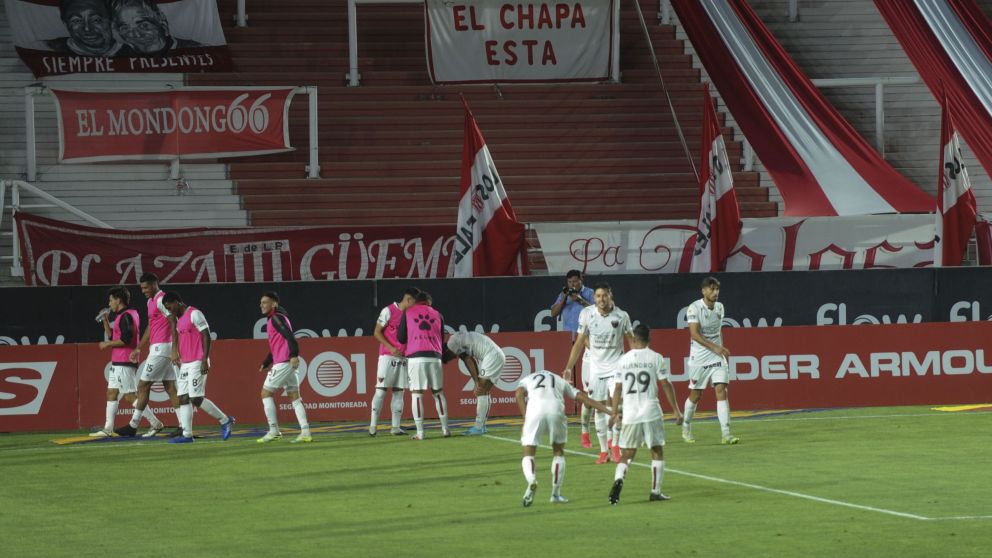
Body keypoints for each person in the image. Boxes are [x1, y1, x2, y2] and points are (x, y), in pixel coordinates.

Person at [607, 324, 683, 505]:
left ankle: (619, 479)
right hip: (651, 411)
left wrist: (614, 413)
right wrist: (676, 410)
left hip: (631, 413)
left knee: (627, 454)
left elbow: (617, 388)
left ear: (633, 339)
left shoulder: (623, 360)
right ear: (649, 339)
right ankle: (655, 491)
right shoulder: (655, 357)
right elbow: (666, 384)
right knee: (656, 450)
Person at [516, 370, 613, 506]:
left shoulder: (528, 378)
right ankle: (555, 494)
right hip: (555, 410)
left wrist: (525, 418)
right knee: (558, 452)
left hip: (534, 411)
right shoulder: (560, 381)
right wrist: (610, 411)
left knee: (529, 453)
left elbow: (518, 393)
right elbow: (585, 399)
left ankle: (531, 480)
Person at [562, 282, 635, 464]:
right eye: (598, 296)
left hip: (617, 367)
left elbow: (632, 341)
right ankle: (604, 451)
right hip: (596, 369)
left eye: (605, 295)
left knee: (618, 407)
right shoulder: (587, 314)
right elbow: (579, 342)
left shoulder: (622, 315)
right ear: (594, 298)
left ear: (611, 296)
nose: (601, 299)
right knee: (599, 408)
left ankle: (616, 446)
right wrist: (569, 367)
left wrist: (637, 363)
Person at [162, 292, 234, 444]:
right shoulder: (179, 319)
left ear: (177, 302)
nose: (170, 311)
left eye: (170, 307)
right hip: (185, 363)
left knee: (195, 398)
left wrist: (204, 359)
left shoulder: (194, 313)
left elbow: (206, 335)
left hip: (197, 361)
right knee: (182, 397)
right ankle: (187, 435)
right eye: (167, 309)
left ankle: (225, 420)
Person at [114, 272, 180, 438]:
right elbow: (151, 327)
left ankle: (133, 425)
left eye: (145, 287)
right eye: (141, 288)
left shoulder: (160, 299)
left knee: (143, 386)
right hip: (158, 348)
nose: (143, 291)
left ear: (155, 284)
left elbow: (173, 319)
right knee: (171, 388)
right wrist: (138, 347)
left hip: (162, 350)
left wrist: (174, 348)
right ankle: (183, 424)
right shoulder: (150, 301)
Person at [682, 276, 739, 445]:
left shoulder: (720, 307)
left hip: (717, 356)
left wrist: (720, 348)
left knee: (721, 389)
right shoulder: (694, 308)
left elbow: (718, 330)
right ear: (704, 291)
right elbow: (694, 334)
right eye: (712, 289)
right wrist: (716, 347)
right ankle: (686, 426)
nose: (715, 292)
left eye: (717, 289)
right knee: (696, 394)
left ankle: (726, 433)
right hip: (699, 358)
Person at [91, 286, 155, 437]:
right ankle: (108, 428)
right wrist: (106, 320)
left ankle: (155, 423)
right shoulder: (122, 316)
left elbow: (126, 339)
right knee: (112, 393)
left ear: (118, 300)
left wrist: (107, 344)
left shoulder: (127, 316)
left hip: (124, 361)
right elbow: (114, 335)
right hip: (118, 362)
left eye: (111, 300)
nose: (109, 303)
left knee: (130, 396)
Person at [257, 292, 312, 444]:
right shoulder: (276, 317)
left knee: (265, 393)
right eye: (261, 302)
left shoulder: (276, 318)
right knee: (294, 397)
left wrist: (294, 354)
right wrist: (267, 361)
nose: (261, 305)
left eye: (265, 302)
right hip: (286, 361)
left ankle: (274, 430)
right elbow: (277, 343)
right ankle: (305, 432)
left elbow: (289, 336)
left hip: (284, 361)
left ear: (273, 304)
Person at [549, 269, 596, 448]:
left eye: (575, 282)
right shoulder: (563, 295)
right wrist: (563, 299)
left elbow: (596, 311)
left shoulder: (591, 293)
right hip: (568, 338)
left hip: (588, 338)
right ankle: (571, 409)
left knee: (588, 383)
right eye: (570, 283)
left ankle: (586, 419)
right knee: (571, 377)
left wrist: (581, 300)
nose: (573, 285)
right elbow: (553, 313)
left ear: (581, 280)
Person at [396, 291, 449, 440]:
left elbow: (401, 338)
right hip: (435, 356)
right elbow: (441, 337)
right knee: (438, 393)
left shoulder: (407, 312)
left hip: (416, 357)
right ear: (428, 302)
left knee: (417, 394)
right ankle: (445, 429)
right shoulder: (438, 314)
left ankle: (420, 433)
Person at [368, 287, 419, 437]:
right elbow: (376, 332)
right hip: (387, 357)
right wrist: (390, 347)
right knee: (381, 390)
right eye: (414, 302)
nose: (415, 306)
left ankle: (395, 427)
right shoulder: (388, 310)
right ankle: (372, 426)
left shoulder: (411, 315)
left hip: (403, 358)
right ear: (408, 299)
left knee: (399, 392)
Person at [442, 330, 506, 435]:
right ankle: (481, 426)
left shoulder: (452, 343)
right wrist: (476, 381)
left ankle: (479, 427)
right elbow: (470, 360)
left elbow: (469, 360)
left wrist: (477, 382)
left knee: (481, 391)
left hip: (492, 356)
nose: (453, 358)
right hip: (497, 355)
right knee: (484, 391)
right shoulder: (457, 341)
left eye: (449, 358)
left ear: (446, 351)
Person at [111, 0, 201, 57]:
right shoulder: (118, 58)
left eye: (144, 25)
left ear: (160, 20)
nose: (137, 34)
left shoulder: (197, 51)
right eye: (126, 28)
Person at [47, 0, 123, 57]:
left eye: (96, 20)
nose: (87, 28)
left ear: (111, 21)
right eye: (76, 21)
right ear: (65, 24)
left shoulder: (129, 53)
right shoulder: (48, 49)